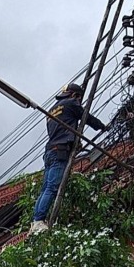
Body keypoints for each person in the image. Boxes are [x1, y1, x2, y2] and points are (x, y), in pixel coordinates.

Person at [30, 83, 107, 233]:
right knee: (52, 188)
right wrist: (102, 127)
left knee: (46, 188)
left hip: (50, 151)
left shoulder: (52, 111)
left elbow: (63, 128)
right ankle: (39, 220)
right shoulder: (71, 103)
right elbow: (87, 117)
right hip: (60, 151)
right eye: (79, 99)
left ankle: (36, 221)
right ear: (75, 95)